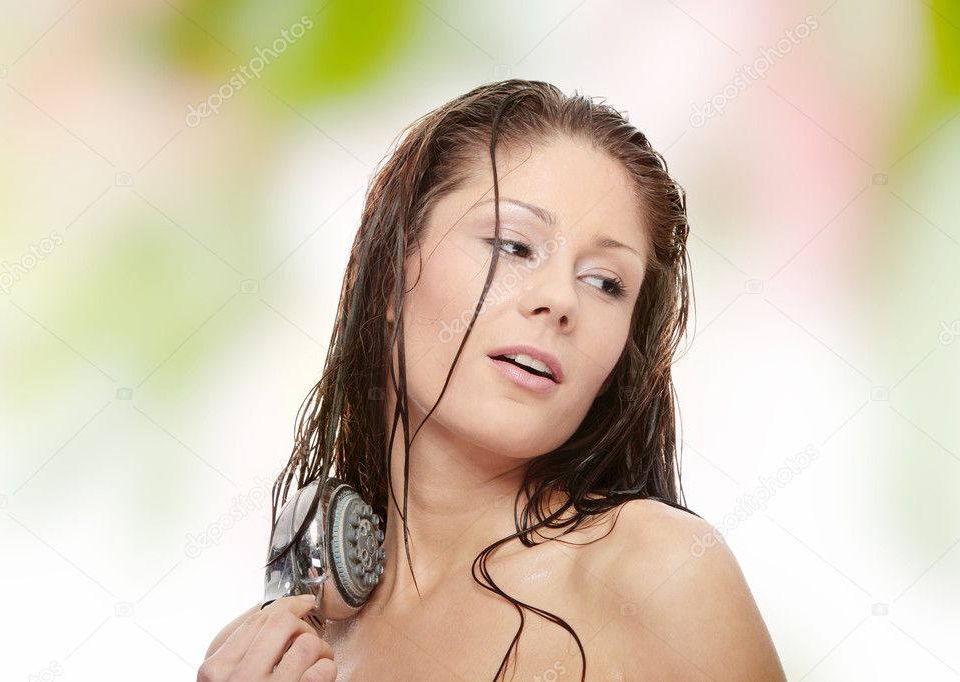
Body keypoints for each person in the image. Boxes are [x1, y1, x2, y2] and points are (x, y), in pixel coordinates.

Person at [199, 79, 786, 681]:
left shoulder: (659, 573)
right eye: (512, 245)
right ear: (392, 273)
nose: (559, 300)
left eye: (606, 282)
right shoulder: (275, 647)